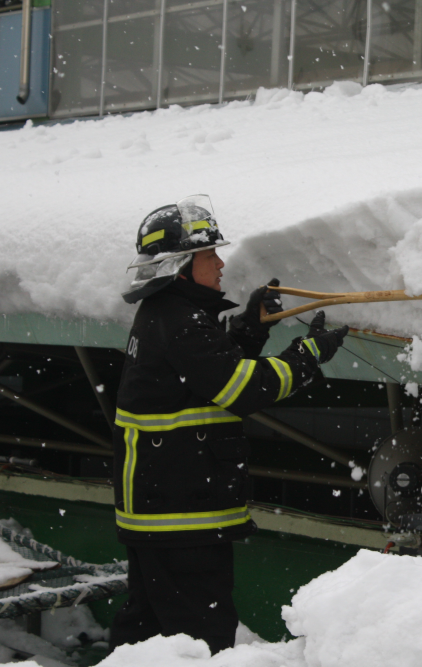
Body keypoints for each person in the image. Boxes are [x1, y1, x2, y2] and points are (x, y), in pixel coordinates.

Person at [109, 195, 348, 654]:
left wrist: (250, 329)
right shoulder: (181, 322)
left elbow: (204, 376)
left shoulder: (169, 314)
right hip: (180, 520)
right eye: (209, 254)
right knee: (200, 638)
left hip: (159, 516)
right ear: (180, 264)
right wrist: (309, 355)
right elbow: (241, 389)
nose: (220, 263)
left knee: (147, 630)